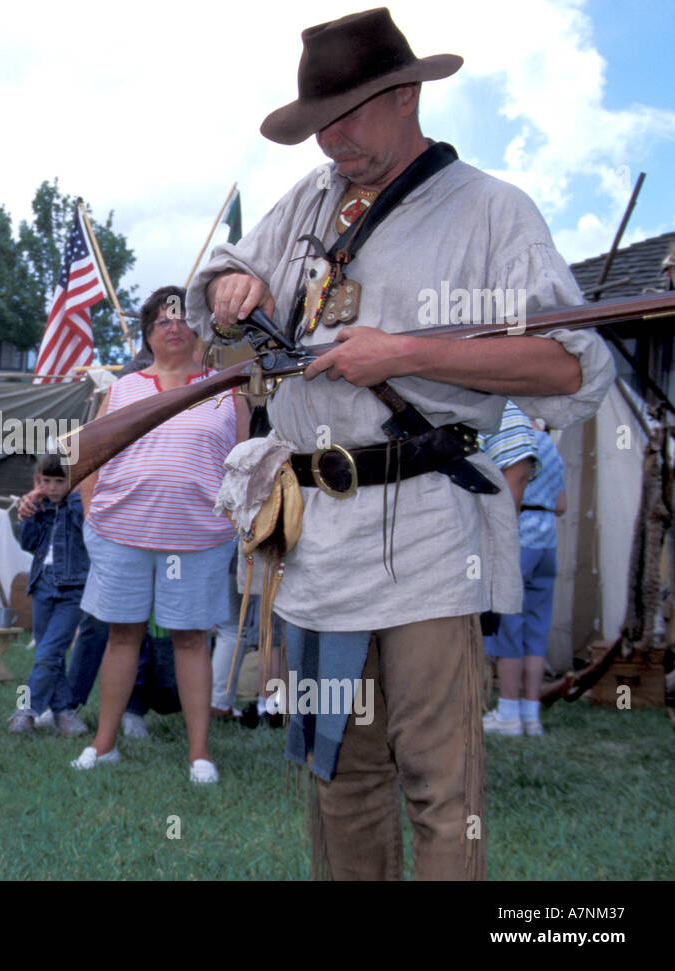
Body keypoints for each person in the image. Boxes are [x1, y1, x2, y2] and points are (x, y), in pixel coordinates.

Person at [188, 8, 613, 878]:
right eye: (318, 126)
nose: (332, 141)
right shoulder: (306, 203)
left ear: (408, 95)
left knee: (440, 788)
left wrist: (406, 351)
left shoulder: (494, 212)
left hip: (427, 537)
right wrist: (231, 283)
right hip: (314, 544)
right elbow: (214, 286)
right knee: (337, 776)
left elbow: (572, 367)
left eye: (348, 116)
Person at [71, 285, 248, 784]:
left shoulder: (227, 388)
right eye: (162, 320)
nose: (173, 326)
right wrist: (90, 514)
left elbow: (244, 467)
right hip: (120, 533)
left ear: (200, 329)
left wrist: (235, 525)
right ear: (148, 334)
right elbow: (87, 455)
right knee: (121, 635)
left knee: (191, 640)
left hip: (200, 538)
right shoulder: (121, 390)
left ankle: (199, 754)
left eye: (183, 317)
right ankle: (103, 744)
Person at [481, 407, 566, 736]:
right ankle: (531, 715)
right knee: (536, 628)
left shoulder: (511, 437)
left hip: (518, 538)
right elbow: (562, 505)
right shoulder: (551, 446)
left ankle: (508, 713)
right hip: (547, 542)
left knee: (508, 628)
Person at [10, 453, 90, 736]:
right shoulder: (39, 507)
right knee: (49, 653)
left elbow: (84, 524)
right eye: (47, 481)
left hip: (72, 589)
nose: (53, 487)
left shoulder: (78, 505)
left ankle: (25, 709)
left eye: (60, 481)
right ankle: (64, 712)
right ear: (37, 481)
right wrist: (29, 512)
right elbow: (28, 543)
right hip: (42, 585)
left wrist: (72, 495)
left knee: (49, 650)